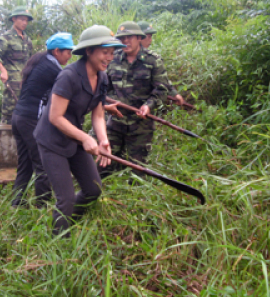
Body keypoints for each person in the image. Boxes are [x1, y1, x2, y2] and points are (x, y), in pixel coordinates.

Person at [33, 25, 125, 236]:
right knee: (64, 199)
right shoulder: (69, 76)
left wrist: (103, 140)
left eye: (112, 52)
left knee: (93, 190)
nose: (109, 57)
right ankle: (59, 247)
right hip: (52, 140)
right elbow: (55, 117)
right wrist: (85, 138)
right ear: (89, 51)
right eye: (105, 52)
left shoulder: (102, 77)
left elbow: (98, 113)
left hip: (74, 139)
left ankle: (68, 223)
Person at [100, 21, 171, 177]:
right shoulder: (113, 58)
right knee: (103, 168)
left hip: (141, 126)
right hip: (114, 123)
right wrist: (106, 104)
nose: (125, 41)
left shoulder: (153, 60)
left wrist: (149, 106)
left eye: (129, 37)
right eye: (122, 38)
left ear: (139, 38)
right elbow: (104, 87)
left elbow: (161, 89)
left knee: (137, 173)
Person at [11, 32, 75, 208]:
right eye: (68, 52)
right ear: (56, 51)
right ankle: (42, 206)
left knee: (25, 164)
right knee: (42, 163)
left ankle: (17, 203)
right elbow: (70, 90)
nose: (70, 56)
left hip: (18, 118)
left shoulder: (41, 62)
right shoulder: (52, 68)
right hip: (30, 119)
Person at [0, 6, 34, 125]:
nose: (24, 23)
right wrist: (2, 70)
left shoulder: (27, 40)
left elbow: (30, 60)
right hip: (12, 81)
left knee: (25, 112)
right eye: (22, 19)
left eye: (26, 20)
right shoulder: (5, 38)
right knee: (10, 113)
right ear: (14, 19)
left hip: (26, 81)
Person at [137, 21, 185, 106]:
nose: (150, 41)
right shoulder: (117, 57)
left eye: (151, 37)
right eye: (148, 37)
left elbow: (161, 80)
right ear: (138, 37)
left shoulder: (151, 59)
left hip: (144, 108)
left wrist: (174, 94)